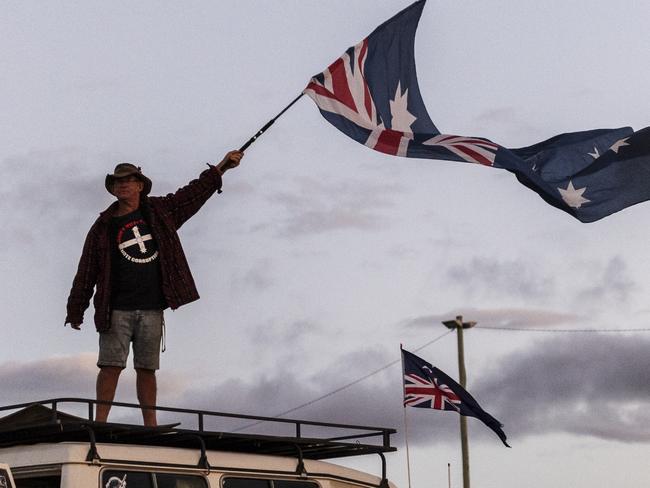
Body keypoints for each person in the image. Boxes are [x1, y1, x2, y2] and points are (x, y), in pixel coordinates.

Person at [65, 150, 243, 426]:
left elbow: (193, 194)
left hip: (151, 307)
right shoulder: (102, 227)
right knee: (110, 365)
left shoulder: (161, 211)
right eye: (117, 182)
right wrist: (76, 310)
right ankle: (100, 422)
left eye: (128, 180)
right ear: (112, 190)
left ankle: (151, 425)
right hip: (115, 308)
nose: (122, 185)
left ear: (140, 185)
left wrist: (223, 167)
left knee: (147, 369)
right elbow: (86, 271)